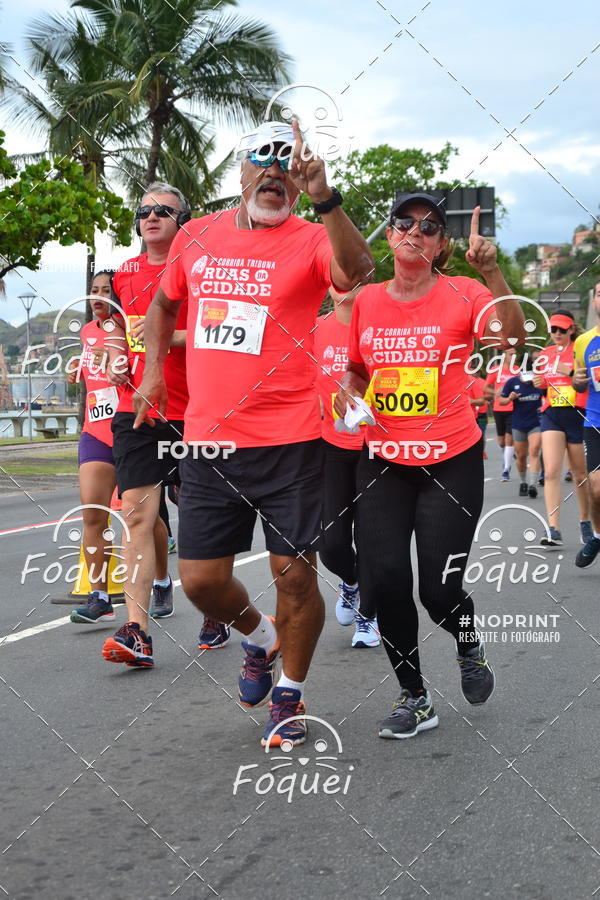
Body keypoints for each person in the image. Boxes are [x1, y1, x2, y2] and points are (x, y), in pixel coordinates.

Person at [133, 120, 373, 746]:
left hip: (292, 440)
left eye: (287, 164)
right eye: (262, 161)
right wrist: (155, 370)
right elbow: (163, 305)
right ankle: (261, 638)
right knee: (200, 582)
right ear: (240, 172)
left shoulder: (314, 236)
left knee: (296, 576)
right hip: (209, 439)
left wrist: (326, 198)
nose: (275, 172)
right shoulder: (196, 235)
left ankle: (290, 694)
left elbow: (357, 271)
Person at [335, 194, 525, 740]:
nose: (415, 231)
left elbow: (510, 338)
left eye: (430, 226)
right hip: (384, 459)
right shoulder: (367, 300)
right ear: (390, 236)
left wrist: (491, 270)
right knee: (387, 580)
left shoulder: (464, 292)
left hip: (451, 459)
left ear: (442, 246)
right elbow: (354, 371)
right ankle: (414, 697)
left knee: (438, 592)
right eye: (403, 223)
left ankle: (467, 640)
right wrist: (350, 398)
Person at [101, 183, 195, 668]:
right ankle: (136, 630)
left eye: (164, 211)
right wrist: (117, 357)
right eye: (145, 211)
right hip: (136, 411)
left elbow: (216, 333)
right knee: (136, 516)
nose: (152, 217)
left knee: (200, 522)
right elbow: (115, 329)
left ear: (183, 219)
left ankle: (217, 605)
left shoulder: (200, 270)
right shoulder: (123, 274)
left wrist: (165, 334)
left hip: (197, 411)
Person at [314, 286, 380, 649]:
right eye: (338, 278)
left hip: (377, 448)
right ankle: (352, 583)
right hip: (331, 448)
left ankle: (369, 617)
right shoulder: (315, 329)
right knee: (332, 543)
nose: (347, 288)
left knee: (371, 538)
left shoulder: (378, 327)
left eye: (354, 277)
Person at [67, 270, 120, 624]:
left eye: (105, 291)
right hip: (95, 432)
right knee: (92, 514)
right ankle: (99, 596)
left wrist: (110, 360)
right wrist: (77, 368)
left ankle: (161, 580)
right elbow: (93, 376)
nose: (98, 296)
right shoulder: (87, 332)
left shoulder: (132, 328)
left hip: (132, 431)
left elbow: (129, 370)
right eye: (94, 291)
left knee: (141, 518)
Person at [534, 309, 591, 547]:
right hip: (552, 414)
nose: (556, 333)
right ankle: (553, 528)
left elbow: (588, 380)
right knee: (550, 472)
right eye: (553, 329)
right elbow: (543, 383)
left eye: (561, 329)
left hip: (577, 413)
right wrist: (539, 383)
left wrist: (567, 372)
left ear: (571, 329)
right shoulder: (545, 354)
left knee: (579, 475)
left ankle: (585, 522)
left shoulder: (581, 348)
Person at [572, 282, 600, 566]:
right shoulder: (583, 342)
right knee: (596, 488)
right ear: (594, 302)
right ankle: (597, 536)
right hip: (595, 422)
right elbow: (579, 379)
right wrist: (576, 381)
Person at [499, 357, 543, 498]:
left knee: (535, 450)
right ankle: (523, 482)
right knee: (521, 456)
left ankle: (532, 485)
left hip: (536, 423)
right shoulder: (512, 382)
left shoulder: (540, 383)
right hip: (518, 424)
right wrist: (510, 398)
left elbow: (550, 395)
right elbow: (501, 401)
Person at [485, 349, 516, 480]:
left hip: (513, 408)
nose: (513, 356)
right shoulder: (495, 370)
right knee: (502, 441)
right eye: (510, 354)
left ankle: (506, 469)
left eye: (515, 354)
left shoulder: (517, 370)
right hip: (499, 409)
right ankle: (508, 456)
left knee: (509, 439)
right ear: (504, 356)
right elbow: (486, 387)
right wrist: (495, 393)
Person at [466, 374, 489, 457]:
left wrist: (470, 401)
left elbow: (484, 398)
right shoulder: (461, 380)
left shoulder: (478, 382)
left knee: (480, 434)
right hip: (471, 414)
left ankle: (481, 451)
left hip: (481, 412)